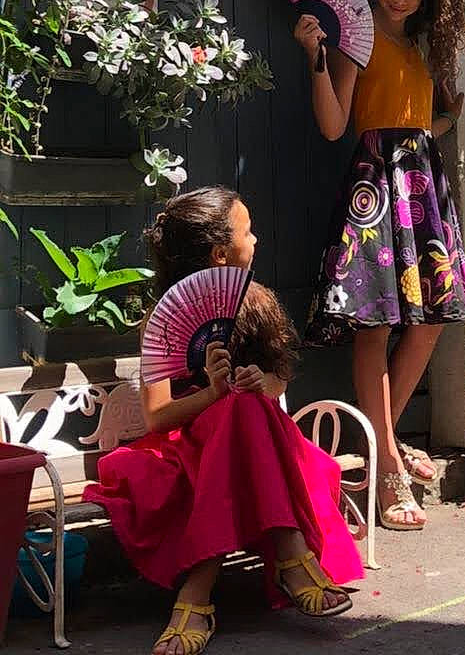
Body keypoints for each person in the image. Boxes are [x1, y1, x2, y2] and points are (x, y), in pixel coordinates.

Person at [85, 187, 363, 655]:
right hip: (186, 443)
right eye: (247, 230)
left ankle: (196, 597)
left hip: (253, 437)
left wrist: (262, 382)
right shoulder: (165, 316)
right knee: (236, 409)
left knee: (246, 407)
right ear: (220, 254)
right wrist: (213, 395)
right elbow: (156, 418)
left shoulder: (257, 302)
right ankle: (291, 555)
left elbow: (278, 379)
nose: (256, 239)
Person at [296, 0, 465, 532]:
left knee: (429, 322)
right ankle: (388, 470)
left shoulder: (426, 48)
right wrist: (316, 58)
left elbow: (447, 111)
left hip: (423, 186)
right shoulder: (357, 40)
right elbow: (331, 126)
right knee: (373, 326)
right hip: (375, 185)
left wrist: (431, 137)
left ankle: (383, 446)